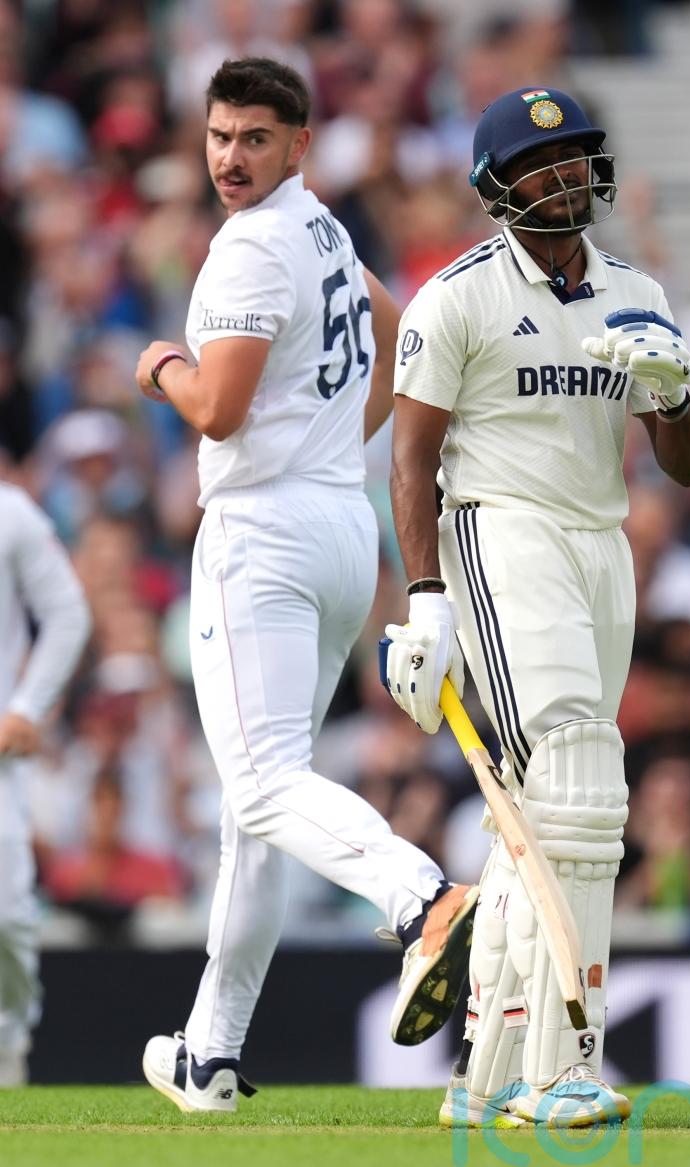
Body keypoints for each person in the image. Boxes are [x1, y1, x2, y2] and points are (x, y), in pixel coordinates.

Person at [134, 57, 477, 1114]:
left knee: (260, 784)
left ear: (298, 145)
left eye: (254, 140)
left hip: (262, 533)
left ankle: (419, 896)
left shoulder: (247, 250)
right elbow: (393, 328)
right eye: (220, 136)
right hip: (335, 526)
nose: (231, 158)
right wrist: (337, 447)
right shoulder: (322, 226)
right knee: (256, 818)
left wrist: (155, 367)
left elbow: (219, 410)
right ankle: (209, 1051)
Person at [382, 85, 690, 1128]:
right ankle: (561, 1065)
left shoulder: (635, 291)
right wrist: (426, 601)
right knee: (576, 777)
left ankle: (483, 1075)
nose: (566, 174)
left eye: (576, 154)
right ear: (494, 186)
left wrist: (670, 396)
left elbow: (686, 467)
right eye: (542, 161)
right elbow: (410, 456)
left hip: (598, 545)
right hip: (498, 528)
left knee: (535, 804)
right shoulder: (458, 297)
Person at [0, 481, 91, 1086]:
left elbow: (68, 611)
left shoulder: (10, 511)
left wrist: (28, 707)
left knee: (7, 915)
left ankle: (8, 1042)